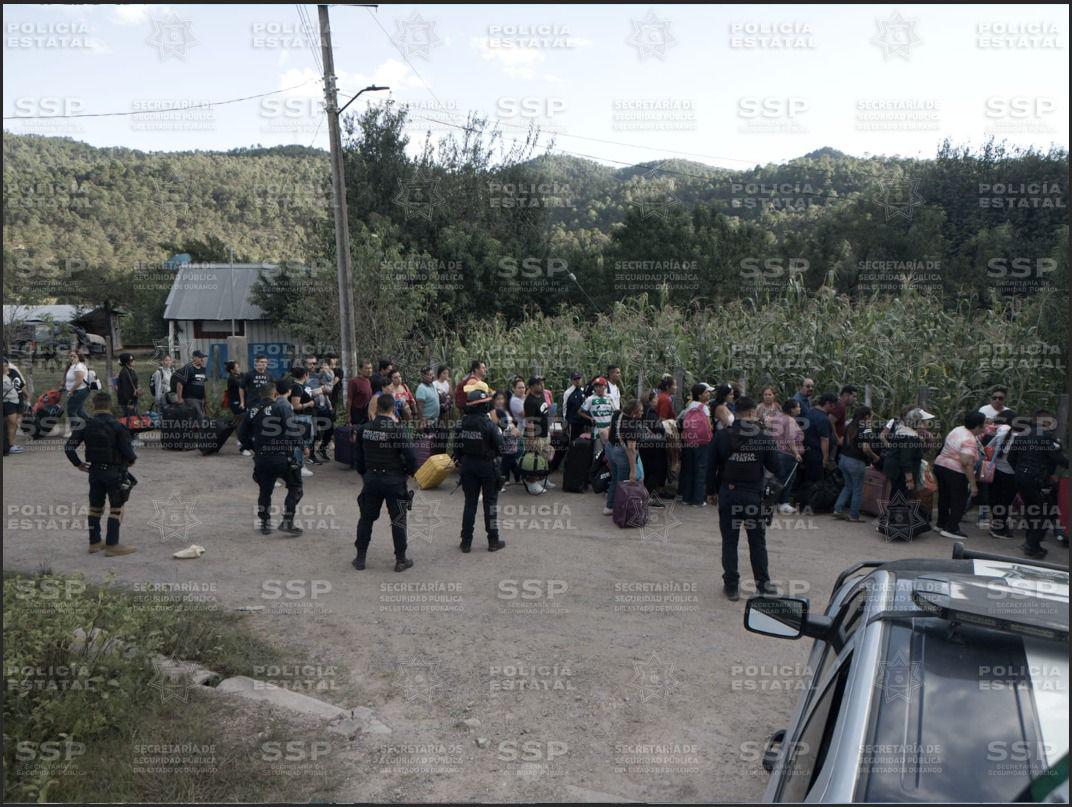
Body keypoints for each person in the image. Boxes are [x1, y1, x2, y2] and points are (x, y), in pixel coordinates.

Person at [711, 396, 781, 601]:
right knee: (757, 542)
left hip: (729, 494)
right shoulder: (763, 436)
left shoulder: (723, 436)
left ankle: (731, 586)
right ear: (752, 413)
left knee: (730, 542)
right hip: (753, 496)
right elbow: (777, 469)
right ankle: (763, 584)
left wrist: (712, 492)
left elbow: (711, 466)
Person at [64, 391, 138, 556]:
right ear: (110, 406)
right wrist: (130, 461)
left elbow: (69, 448)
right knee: (116, 509)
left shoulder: (85, 425)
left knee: (95, 508)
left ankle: (95, 542)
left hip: (94, 472)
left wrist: (78, 464)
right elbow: (129, 453)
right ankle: (112, 545)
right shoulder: (118, 426)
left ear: (93, 405)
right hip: (114, 473)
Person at [353, 392, 417, 572]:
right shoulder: (398, 429)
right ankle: (400, 560)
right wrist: (409, 472)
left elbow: (358, 457)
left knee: (366, 519)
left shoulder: (364, 429)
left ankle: (360, 558)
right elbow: (411, 456)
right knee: (398, 520)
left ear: (378, 408)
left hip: (372, 480)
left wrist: (365, 474)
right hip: (394, 481)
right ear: (393, 408)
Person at [241, 379, 306, 536]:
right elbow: (292, 431)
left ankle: (264, 524)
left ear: (260, 395)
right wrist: (303, 447)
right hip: (282, 457)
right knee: (295, 487)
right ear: (275, 394)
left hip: (263, 458)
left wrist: (252, 447)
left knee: (265, 491)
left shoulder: (253, 410)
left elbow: (241, 433)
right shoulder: (281, 407)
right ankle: (287, 521)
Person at [1007, 409, 1069, 559]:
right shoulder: (1047, 437)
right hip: (1036, 479)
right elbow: (1058, 459)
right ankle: (1031, 544)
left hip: (1021, 477)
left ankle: (1031, 543)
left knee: (1031, 509)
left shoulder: (1021, 435)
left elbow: (1011, 458)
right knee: (1045, 512)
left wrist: (1021, 470)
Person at [454, 389, 507, 553]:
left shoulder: (461, 424)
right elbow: (501, 447)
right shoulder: (489, 425)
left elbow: (457, 449)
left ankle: (466, 542)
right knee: (489, 504)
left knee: (469, 504)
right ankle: (493, 541)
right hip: (487, 467)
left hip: (468, 466)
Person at [934, 412, 985, 539]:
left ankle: (941, 523)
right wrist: (973, 485)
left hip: (941, 465)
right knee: (959, 501)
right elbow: (966, 463)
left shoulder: (957, 429)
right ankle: (951, 528)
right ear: (978, 426)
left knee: (944, 497)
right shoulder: (970, 439)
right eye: (983, 425)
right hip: (955, 471)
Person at [833, 406, 878, 522]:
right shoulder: (866, 429)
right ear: (867, 416)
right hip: (856, 462)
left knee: (848, 486)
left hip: (843, 459)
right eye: (872, 416)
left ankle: (838, 509)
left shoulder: (849, 425)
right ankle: (853, 515)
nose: (873, 418)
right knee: (858, 489)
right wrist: (875, 457)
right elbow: (866, 448)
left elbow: (842, 441)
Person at [602, 397, 645, 516]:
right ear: (633, 413)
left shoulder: (617, 414)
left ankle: (609, 506)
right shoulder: (632, 424)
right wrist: (633, 470)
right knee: (623, 483)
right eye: (640, 411)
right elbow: (631, 449)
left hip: (611, 448)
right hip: (622, 453)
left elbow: (610, 431)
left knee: (615, 479)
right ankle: (621, 510)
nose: (642, 412)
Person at [882, 407, 931, 501]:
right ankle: (895, 515)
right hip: (901, 473)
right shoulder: (910, 436)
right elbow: (905, 460)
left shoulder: (905, 432)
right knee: (900, 497)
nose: (928, 422)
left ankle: (892, 514)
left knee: (896, 494)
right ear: (919, 422)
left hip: (897, 471)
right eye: (926, 420)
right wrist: (909, 480)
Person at [986, 410, 1018, 540]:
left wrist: (994, 459)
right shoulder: (1019, 436)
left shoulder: (1002, 432)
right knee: (1005, 502)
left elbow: (988, 446)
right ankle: (998, 529)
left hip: (997, 470)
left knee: (997, 499)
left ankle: (997, 524)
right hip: (1011, 473)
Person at [679, 383, 712, 507]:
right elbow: (708, 426)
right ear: (700, 395)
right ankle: (698, 500)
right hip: (702, 443)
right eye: (706, 392)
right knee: (700, 470)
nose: (708, 394)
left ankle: (686, 498)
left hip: (689, 442)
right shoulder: (704, 407)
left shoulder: (689, 406)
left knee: (688, 470)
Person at [769, 399, 804, 514]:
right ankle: (783, 502)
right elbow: (790, 439)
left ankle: (773, 501)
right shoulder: (790, 420)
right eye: (798, 407)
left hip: (777, 452)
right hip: (787, 454)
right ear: (792, 409)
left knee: (779, 478)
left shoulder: (778, 417)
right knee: (788, 479)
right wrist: (796, 453)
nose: (799, 409)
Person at [801, 392, 837, 502]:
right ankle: (811, 503)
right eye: (833, 405)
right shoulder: (823, 419)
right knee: (816, 482)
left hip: (808, 452)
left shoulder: (810, 413)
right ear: (827, 404)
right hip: (817, 454)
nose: (834, 408)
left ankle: (804, 502)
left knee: (808, 480)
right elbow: (824, 440)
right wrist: (825, 458)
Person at [288, 366, 317, 475]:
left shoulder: (300, 386)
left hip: (305, 417)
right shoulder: (297, 387)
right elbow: (296, 406)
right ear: (305, 375)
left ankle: (299, 465)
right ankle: (299, 466)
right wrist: (309, 404)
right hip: (301, 418)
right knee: (300, 443)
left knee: (303, 442)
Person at [491, 390, 522, 486]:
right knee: (507, 458)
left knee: (510, 458)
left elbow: (511, 422)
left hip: (512, 438)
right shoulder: (493, 411)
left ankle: (513, 478)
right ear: (494, 400)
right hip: (502, 437)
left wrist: (515, 429)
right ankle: (507, 478)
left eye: (502, 399)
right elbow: (496, 424)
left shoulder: (506, 411)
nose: (500, 401)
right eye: (498, 399)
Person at [580, 377, 615, 452]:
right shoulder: (590, 399)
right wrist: (590, 418)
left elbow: (615, 411)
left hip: (610, 431)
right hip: (597, 431)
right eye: (596, 386)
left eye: (600, 386)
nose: (598, 388)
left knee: (610, 455)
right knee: (598, 455)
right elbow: (580, 412)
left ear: (605, 386)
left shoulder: (610, 397)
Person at [63, 349, 91, 436]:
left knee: (71, 410)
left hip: (80, 391)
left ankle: (73, 431)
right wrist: (63, 385)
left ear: (79, 357)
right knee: (80, 411)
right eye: (70, 356)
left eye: (74, 356)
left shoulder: (79, 366)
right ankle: (93, 424)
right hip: (76, 391)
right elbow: (70, 378)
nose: (71, 358)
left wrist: (71, 391)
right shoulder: (73, 365)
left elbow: (79, 381)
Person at [174, 350, 208, 417]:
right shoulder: (188, 368)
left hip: (200, 399)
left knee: (202, 417)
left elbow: (204, 385)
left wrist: (206, 399)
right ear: (194, 358)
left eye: (203, 358)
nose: (202, 360)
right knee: (199, 417)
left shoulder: (204, 370)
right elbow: (179, 383)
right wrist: (179, 398)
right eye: (200, 357)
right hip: (190, 398)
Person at [2, 357, 24, 455]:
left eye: (6, 365)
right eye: (3, 366)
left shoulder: (11, 373)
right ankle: (9, 446)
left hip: (13, 402)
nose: (5, 368)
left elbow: (21, 386)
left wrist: (26, 397)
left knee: (12, 423)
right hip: (7, 402)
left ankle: (9, 445)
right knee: (12, 423)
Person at [829, 385, 857, 452]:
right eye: (854, 396)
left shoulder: (840, 405)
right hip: (833, 443)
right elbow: (830, 421)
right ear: (846, 395)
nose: (855, 399)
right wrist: (837, 439)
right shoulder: (840, 406)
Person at [348, 359, 374, 427]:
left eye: (371, 368)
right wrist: (348, 416)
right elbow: (349, 399)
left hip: (367, 412)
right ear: (360, 370)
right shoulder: (354, 381)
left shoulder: (368, 380)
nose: (370, 370)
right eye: (367, 368)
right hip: (357, 413)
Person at [563, 371, 587, 442]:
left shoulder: (584, 391)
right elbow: (565, 407)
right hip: (573, 422)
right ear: (571, 380)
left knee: (584, 440)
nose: (577, 381)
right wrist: (565, 421)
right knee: (573, 441)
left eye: (578, 378)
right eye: (575, 379)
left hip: (583, 421)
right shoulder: (568, 392)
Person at [116, 353, 140, 417]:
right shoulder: (124, 373)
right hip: (128, 401)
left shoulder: (131, 370)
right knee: (131, 419)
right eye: (131, 360)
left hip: (133, 398)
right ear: (126, 363)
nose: (134, 361)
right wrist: (130, 403)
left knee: (132, 418)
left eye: (133, 359)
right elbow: (125, 389)